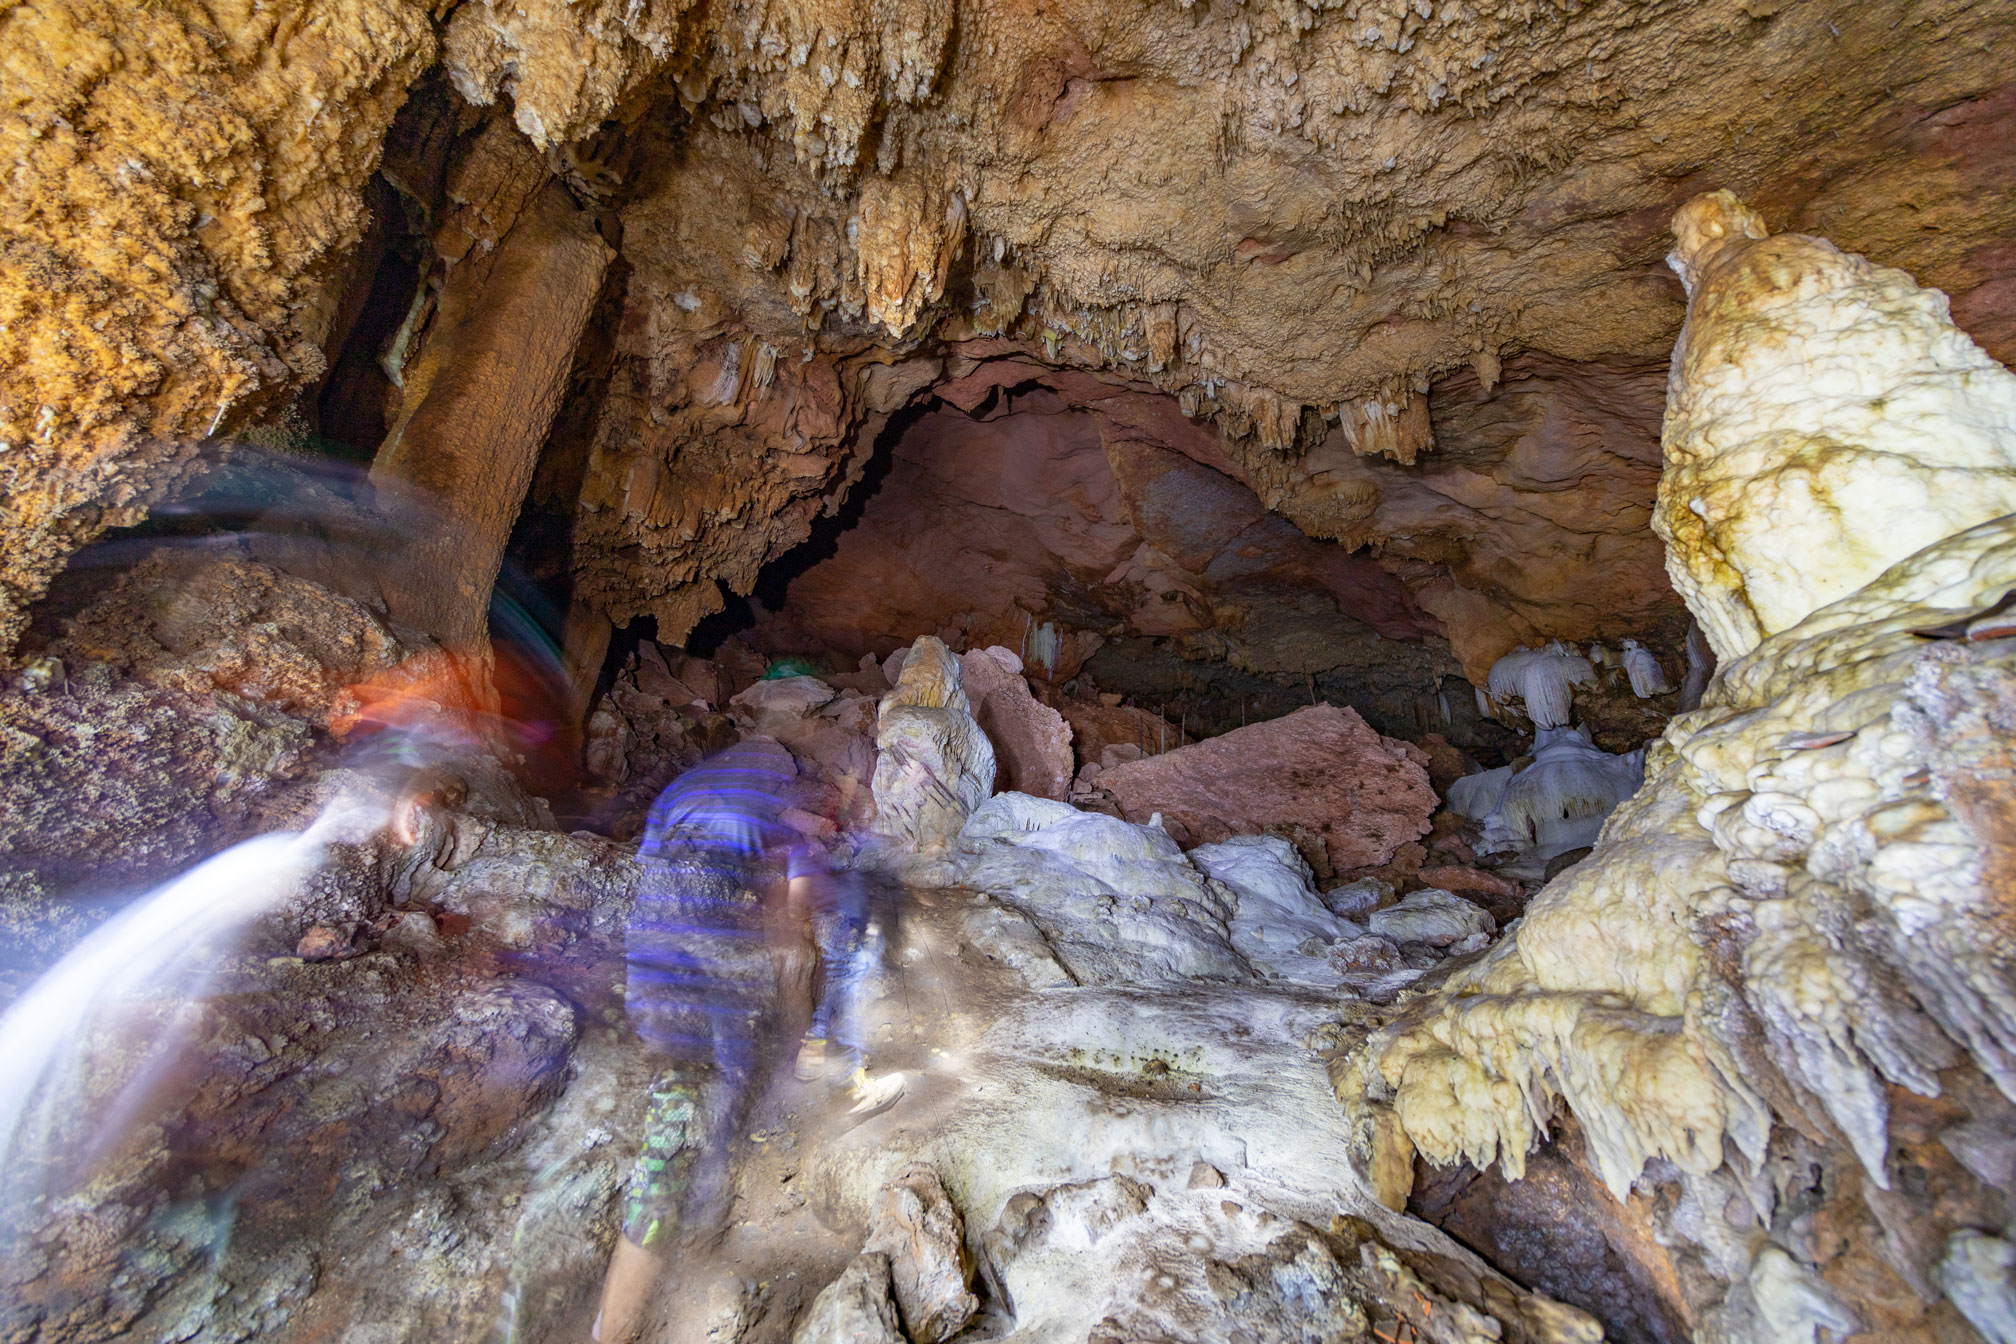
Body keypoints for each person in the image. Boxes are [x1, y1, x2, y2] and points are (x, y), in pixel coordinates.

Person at [593, 739, 805, 1344]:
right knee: (675, 1132)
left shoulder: (680, 797)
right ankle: (620, 1318)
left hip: (650, 962)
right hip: (678, 978)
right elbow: (714, 931)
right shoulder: (737, 814)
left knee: (683, 1099)